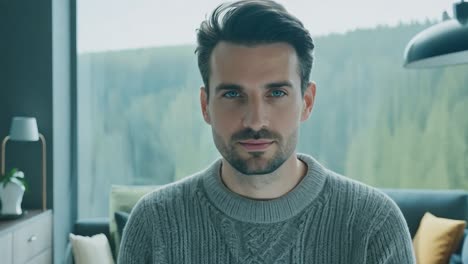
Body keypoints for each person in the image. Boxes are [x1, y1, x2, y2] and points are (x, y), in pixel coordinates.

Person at [118, 0, 416, 263]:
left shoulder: (373, 223)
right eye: (233, 95)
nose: (255, 121)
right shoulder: (154, 224)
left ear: (307, 102)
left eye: (276, 93)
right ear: (205, 105)